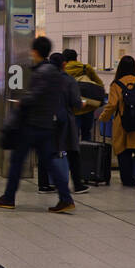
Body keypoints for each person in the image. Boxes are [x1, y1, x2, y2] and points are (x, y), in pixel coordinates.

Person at [0, 36, 75, 213]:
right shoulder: (56, 73)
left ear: (35, 51)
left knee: (16, 161)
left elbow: (35, 95)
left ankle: (8, 197)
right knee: (49, 162)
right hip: (46, 124)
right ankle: (65, 198)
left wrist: (22, 102)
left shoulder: (42, 72)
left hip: (31, 125)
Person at [98, 55, 135, 189]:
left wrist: (103, 117)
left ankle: (128, 180)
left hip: (123, 125)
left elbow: (112, 105)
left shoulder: (116, 85)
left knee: (124, 153)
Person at [51, 53, 89, 194]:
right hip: (65, 120)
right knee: (73, 152)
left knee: (49, 152)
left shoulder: (46, 79)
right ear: (63, 64)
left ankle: (46, 184)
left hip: (47, 119)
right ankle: (77, 185)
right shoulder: (68, 80)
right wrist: (82, 103)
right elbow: (75, 102)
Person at [62, 48, 104, 141]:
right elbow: (100, 84)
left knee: (73, 136)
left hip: (73, 109)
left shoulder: (63, 70)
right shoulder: (86, 68)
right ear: (76, 58)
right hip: (88, 107)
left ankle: (73, 154)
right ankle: (86, 154)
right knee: (86, 134)